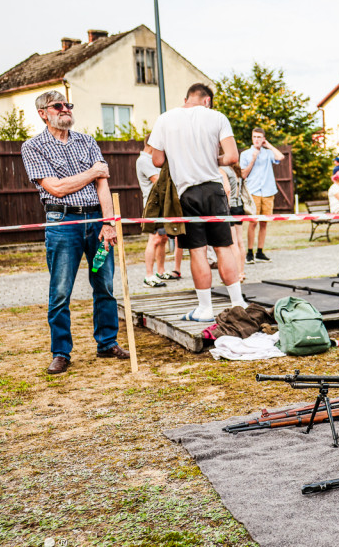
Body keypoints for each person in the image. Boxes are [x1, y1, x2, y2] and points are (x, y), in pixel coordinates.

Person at [20, 90, 130, 374]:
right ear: (43, 113)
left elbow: (102, 185)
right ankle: (61, 352)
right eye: (58, 106)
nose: (65, 109)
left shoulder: (88, 142)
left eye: (68, 104)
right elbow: (55, 188)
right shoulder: (33, 147)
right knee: (60, 292)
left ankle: (107, 343)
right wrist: (92, 173)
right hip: (62, 222)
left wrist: (108, 222)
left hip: (96, 219)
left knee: (104, 285)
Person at [147, 83, 245, 322]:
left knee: (198, 251)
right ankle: (238, 303)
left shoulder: (165, 119)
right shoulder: (217, 117)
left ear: (186, 98)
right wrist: (212, 158)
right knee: (223, 247)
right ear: (207, 101)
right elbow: (232, 157)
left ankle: (205, 309)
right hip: (214, 189)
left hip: (187, 193)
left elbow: (157, 160)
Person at [239, 127, 285, 264]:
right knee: (253, 222)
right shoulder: (246, 154)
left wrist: (268, 145)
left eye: (259, 137)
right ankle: (249, 252)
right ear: (252, 138)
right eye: (255, 137)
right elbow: (243, 174)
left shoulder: (268, 153)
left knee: (264, 223)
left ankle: (260, 251)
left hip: (268, 191)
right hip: (253, 191)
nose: (257, 139)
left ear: (263, 139)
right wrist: (253, 160)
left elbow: (280, 157)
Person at [136, 142, 170, 287]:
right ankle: (148, 276)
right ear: (151, 145)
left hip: (162, 206)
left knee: (163, 239)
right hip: (153, 207)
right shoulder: (144, 160)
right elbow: (158, 180)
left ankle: (160, 271)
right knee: (154, 239)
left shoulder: (151, 160)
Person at [221, 162, 245, 283]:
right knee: (240, 241)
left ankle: (236, 275)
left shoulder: (222, 169)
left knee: (233, 243)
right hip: (239, 206)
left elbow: (227, 189)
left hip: (230, 207)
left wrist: (226, 207)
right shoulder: (235, 169)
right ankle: (241, 272)